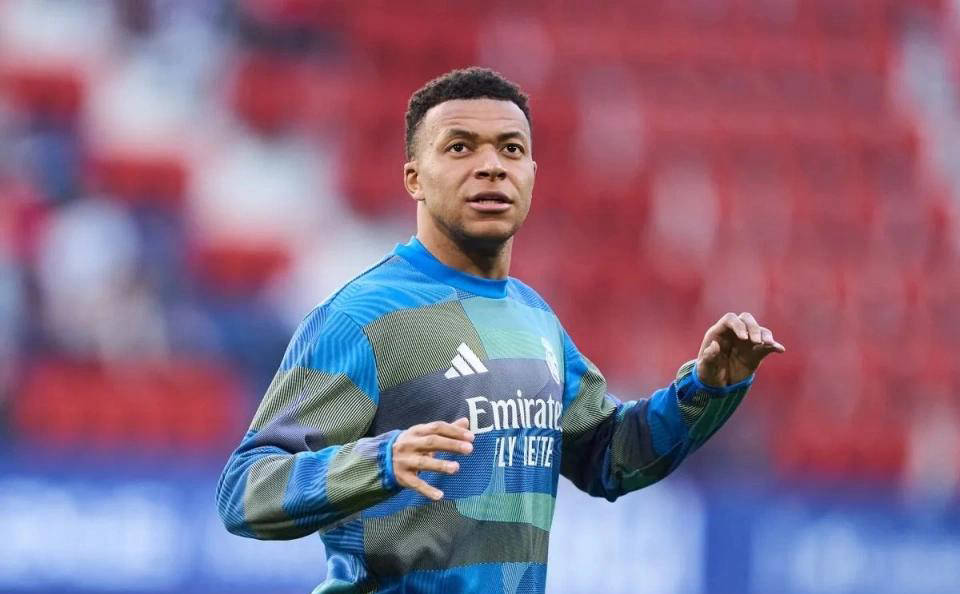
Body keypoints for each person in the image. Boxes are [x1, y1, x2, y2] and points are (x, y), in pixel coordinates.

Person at [216, 67, 785, 593]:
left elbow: (608, 456)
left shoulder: (534, 316)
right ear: (414, 178)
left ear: (532, 174)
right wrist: (381, 462)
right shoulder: (361, 317)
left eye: (511, 149)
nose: (491, 166)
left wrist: (706, 391)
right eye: (460, 147)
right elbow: (245, 492)